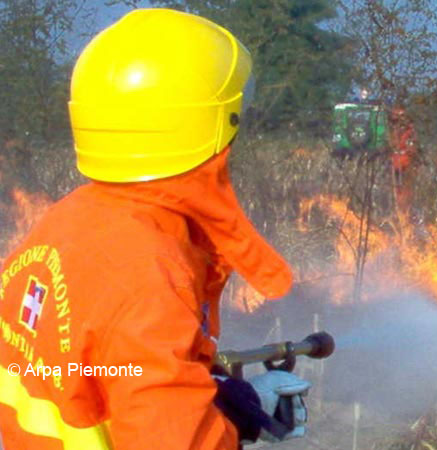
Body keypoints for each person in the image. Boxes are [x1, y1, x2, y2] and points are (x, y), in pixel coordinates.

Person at [0, 9, 307, 449]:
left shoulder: (66, 221)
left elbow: (101, 374)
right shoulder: (149, 274)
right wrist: (229, 428)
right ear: (209, 129)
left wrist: (207, 399)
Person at [388, 106, 419, 215]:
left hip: (406, 164)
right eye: (395, 119)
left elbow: (413, 149)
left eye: (400, 118)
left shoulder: (410, 132)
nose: (397, 122)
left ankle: (407, 212)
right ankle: (396, 211)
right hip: (394, 164)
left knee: (406, 190)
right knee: (395, 190)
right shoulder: (391, 131)